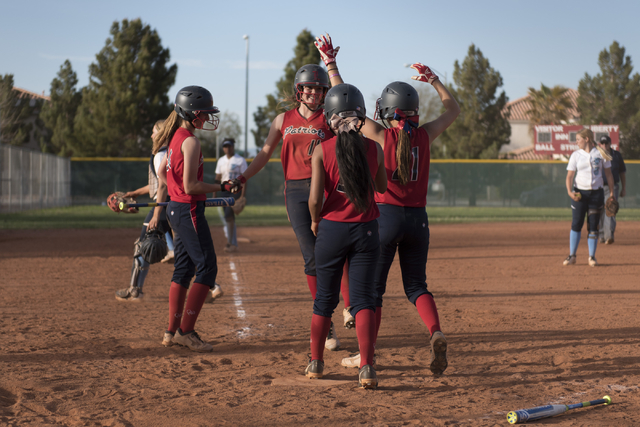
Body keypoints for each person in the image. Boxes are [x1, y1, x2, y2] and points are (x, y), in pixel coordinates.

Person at [317, 34, 460, 375]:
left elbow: (346, 104)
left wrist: (331, 64)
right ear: (414, 111)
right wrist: (434, 79)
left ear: (384, 110)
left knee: (372, 294)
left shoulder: (381, 136)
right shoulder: (425, 135)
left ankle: (368, 356)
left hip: (386, 219)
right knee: (416, 286)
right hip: (418, 221)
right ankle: (435, 332)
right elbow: (453, 109)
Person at [230, 63, 353, 350]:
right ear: (299, 89)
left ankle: (351, 305)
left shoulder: (330, 117)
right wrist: (243, 176)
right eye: (309, 87)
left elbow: (348, 102)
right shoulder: (282, 120)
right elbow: (264, 153)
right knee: (311, 256)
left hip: (327, 187)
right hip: (296, 190)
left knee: (340, 246)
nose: (314, 92)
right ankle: (327, 321)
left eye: (320, 88)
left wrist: (332, 66)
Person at [306, 83, 387, 389]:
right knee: (364, 300)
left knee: (324, 300)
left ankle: (316, 363)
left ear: (329, 117)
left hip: (331, 229)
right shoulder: (373, 148)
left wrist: (315, 221)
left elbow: (315, 199)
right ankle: (366, 368)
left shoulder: (322, 149)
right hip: (366, 229)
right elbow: (380, 189)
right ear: (361, 115)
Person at [153, 85, 239, 352]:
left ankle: (171, 332)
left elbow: (166, 176)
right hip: (188, 209)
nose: (207, 117)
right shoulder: (190, 141)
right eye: (203, 112)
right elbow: (191, 186)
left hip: (176, 208)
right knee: (207, 268)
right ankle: (185, 332)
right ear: (190, 113)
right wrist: (222, 187)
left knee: (184, 270)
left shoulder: (176, 137)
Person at [115, 119, 176, 302]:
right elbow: (156, 185)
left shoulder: (159, 155)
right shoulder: (171, 153)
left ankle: (135, 290)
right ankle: (211, 286)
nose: (151, 136)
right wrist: (133, 193)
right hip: (173, 205)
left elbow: (162, 188)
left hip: (162, 205)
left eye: (153, 132)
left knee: (142, 245)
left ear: (162, 134)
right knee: (186, 248)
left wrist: (157, 213)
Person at [563, 128, 615, 267]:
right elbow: (569, 176)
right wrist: (569, 192)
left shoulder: (600, 153)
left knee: (593, 226)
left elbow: (609, 175)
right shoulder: (575, 155)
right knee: (576, 224)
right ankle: (572, 256)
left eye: (578, 139)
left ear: (586, 139)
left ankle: (592, 257)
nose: (576, 142)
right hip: (580, 194)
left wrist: (612, 193)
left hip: (596, 194)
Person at [215, 138, 248, 253]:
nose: (227, 149)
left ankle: (231, 243)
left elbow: (244, 179)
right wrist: (215, 195)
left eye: (229, 146)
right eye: (225, 146)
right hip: (224, 190)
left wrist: (242, 196)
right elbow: (217, 179)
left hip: (235, 190)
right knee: (228, 216)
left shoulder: (240, 160)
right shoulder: (221, 161)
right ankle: (233, 243)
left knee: (229, 214)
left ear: (233, 147)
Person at [597, 135, 626, 245]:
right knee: (600, 211)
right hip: (598, 187)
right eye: (603, 143)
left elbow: (622, 173)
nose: (605, 145)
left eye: (607, 143)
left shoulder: (616, 155)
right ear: (600, 144)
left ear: (610, 144)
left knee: (610, 209)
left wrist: (624, 188)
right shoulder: (596, 155)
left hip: (612, 186)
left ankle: (609, 235)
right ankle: (601, 235)